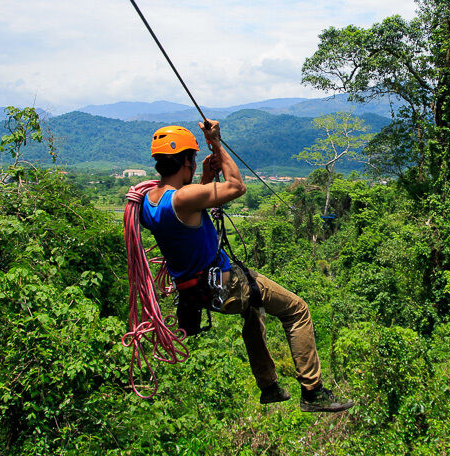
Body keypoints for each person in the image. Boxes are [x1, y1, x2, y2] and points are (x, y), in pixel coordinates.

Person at [140, 120, 353, 413]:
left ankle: (269, 386)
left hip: (201, 293)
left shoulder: (148, 203)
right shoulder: (183, 198)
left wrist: (204, 178)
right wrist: (216, 143)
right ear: (186, 160)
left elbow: (185, 218)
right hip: (228, 286)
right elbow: (236, 187)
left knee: (253, 309)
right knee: (297, 309)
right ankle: (313, 392)